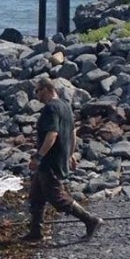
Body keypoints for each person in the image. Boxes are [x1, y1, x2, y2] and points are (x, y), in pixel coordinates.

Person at [25, 75, 102, 242]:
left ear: (46, 89)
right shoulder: (65, 106)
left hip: (50, 161)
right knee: (36, 196)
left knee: (57, 198)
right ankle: (35, 232)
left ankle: (91, 220)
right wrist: (71, 153)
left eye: (37, 91)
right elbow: (73, 131)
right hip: (58, 158)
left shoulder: (51, 108)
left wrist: (38, 157)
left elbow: (52, 134)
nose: (36, 95)